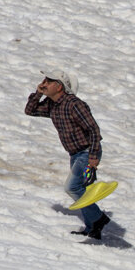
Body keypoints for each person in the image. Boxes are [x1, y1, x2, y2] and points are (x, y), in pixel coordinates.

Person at [24, 69, 112, 239]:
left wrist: (93, 157)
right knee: (83, 190)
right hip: (75, 154)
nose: (44, 83)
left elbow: (93, 129)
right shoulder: (52, 105)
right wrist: (38, 93)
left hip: (87, 153)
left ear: (59, 86)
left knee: (72, 187)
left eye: (49, 81)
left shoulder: (74, 105)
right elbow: (30, 110)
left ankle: (99, 218)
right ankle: (92, 228)